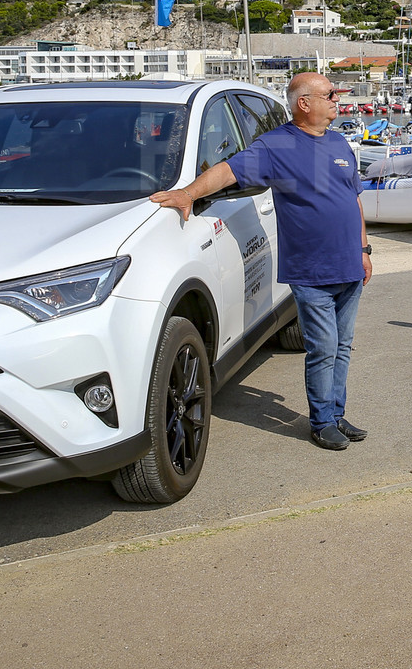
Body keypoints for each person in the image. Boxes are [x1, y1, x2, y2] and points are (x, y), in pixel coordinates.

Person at [150, 73, 373, 450]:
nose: (338, 99)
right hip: (311, 269)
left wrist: (364, 251)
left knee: (344, 345)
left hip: (349, 264)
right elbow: (228, 171)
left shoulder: (338, 142)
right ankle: (321, 422)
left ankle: (336, 413)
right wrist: (187, 192)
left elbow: (353, 199)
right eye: (330, 94)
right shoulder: (277, 146)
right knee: (324, 347)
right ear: (304, 103)